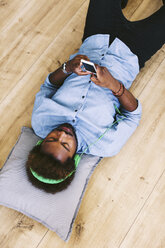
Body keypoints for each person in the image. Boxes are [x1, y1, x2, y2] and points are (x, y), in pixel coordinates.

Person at [26, 0, 165, 193]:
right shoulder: (106, 145)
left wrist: (68, 68)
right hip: (132, 52)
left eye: (51, 139)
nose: (62, 134)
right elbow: (133, 116)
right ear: (74, 157)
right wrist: (114, 85)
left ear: (41, 142)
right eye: (65, 145)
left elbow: (49, 84)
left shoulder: (40, 121)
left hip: (95, 39)